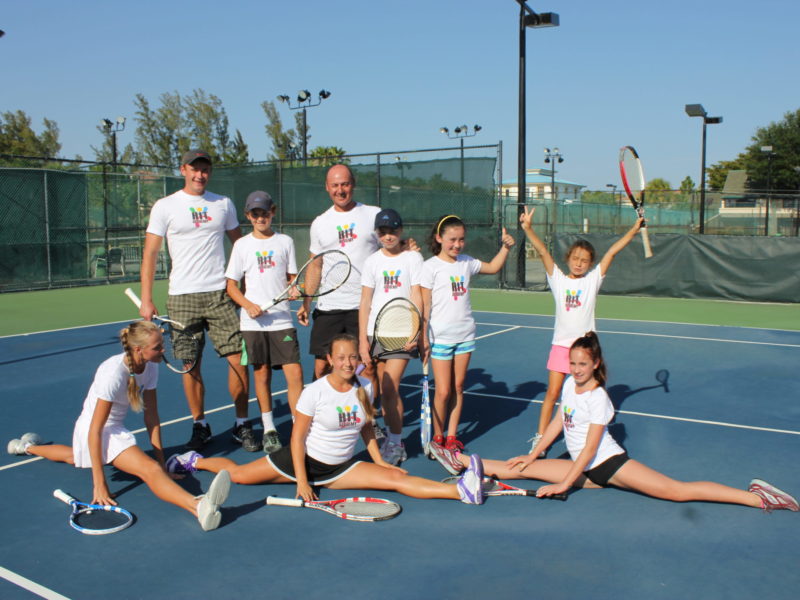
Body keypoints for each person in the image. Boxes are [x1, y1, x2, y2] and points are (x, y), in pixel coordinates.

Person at [456, 332, 799, 513]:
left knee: (677, 492)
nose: (575, 369)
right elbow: (559, 421)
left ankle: (758, 498)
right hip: (581, 467)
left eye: (582, 364)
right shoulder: (571, 387)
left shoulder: (598, 398)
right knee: (520, 467)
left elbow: (591, 448)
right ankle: (460, 461)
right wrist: (534, 454)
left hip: (608, 465)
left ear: (595, 364)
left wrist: (564, 485)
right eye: (572, 363)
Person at [165, 334, 485, 505]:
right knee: (238, 476)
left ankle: (461, 491)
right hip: (300, 462)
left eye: (353, 357)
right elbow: (297, 439)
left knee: (396, 480)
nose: (348, 362)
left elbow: (367, 429)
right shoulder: (314, 392)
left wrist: (380, 462)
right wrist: (302, 481)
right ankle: (193, 461)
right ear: (330, 359)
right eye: (341, 357)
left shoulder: (365, 387)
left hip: (341, 467)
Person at [6, 321, 232, 531]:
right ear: (138, 350)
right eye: (157, 347)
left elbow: (152, 418)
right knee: (149, 469)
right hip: (93, 428)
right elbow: (96, 429)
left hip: (112, 428)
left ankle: (27, 447)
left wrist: (162, 463)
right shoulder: (113, 373)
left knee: (75, 457)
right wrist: (99, 483)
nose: (163, 350)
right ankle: (198, 506)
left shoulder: (151, 366)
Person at [138, 149, 251, 452]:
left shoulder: (223, 204)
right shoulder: (165, 206)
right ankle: (200, 425)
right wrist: (146, 298)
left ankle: (242, 423)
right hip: (182, 297)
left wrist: (246, 284)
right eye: (194, 169)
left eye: (205, 170)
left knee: (239, 359)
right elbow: (150, 254)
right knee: (190, 365)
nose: (200, 175)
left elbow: (241, 246)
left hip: (219, 295)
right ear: (183, 170)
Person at [519, 206, 642, 455]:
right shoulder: (558, 279)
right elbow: (542, 251)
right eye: (575, 258)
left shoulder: (592, 280)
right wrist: (528, 229)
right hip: (561, 346)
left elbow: (612, 251)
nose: (579, 263)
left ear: (590, 264)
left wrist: (633, 230)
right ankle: (540, 439)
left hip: (585, 350)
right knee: (553, 393)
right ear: (568, 259)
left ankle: (589, 436)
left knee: (588, 395)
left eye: (584, 260)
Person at [420, 215, 515, 472]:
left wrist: (506, 248)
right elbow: (425, 306)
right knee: (442, 391)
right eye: (452, 239)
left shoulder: (466, 263)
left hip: (465, 335)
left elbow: (493, 267)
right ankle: (437, 438)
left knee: (458, 387)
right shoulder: (429, 267)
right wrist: (422, 337)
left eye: (461, 239)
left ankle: (451, 437)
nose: (457, 244)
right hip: (440, 337)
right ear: (439, 238)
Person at [225, 191, 304, 453]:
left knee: (295, 373)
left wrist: (295, 288)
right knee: (261, 374)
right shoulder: (241, 245)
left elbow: (292, 278)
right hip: (253, 324)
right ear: (248, 216)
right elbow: (231, 286)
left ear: (273, 212)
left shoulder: (285, 242)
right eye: (255, 214)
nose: (261, 218)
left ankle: (298, 428)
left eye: (265, 213)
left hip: (281, 320)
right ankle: (269, 429)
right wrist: (248, 305)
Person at [297, 164, 382, 380]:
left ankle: (367, 403)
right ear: (327, 187)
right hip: (329, 308)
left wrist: (406, 247)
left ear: (353, 184)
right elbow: (315, 265)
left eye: (345, 184)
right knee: (322, 368)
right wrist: (306, 302)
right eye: (335, 185)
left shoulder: (373, 214)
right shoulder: (320, 223)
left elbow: (390, 251)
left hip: (364, 307)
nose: (340, 190)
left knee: (367, 367)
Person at [358, 208, 425, 465]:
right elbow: (365, 301)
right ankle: (390, 437)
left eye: (392, 231)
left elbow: (417, 295)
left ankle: (396, 443)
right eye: (383, 231)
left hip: (402, 333)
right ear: (377, 233)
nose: (388, 236)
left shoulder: (413, 259)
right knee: (382, 391)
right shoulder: (372, 262)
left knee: (388, 386)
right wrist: (362, 340)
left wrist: (416, 331)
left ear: (401, 231)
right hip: (375, 332)